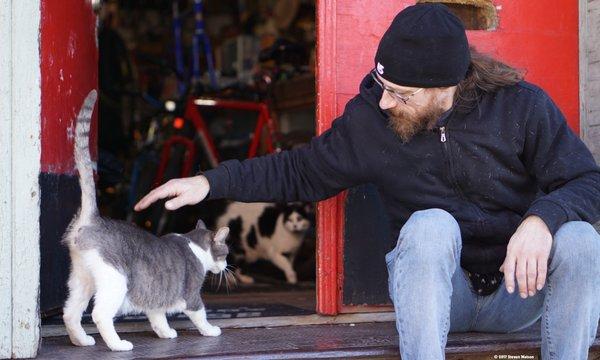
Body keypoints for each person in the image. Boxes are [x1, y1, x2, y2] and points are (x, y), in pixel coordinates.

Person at [135, 4, 600, 359]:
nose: (385, 103)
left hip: (517, 293)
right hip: (438, 298)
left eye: (402, 94)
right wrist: (209, 184)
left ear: (447, 87)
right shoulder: (370, 122)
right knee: (431, 225)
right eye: (384, 87)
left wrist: (543, 218)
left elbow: (588, 181)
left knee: (578, 237)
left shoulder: (521, 107)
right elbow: (300, 171)